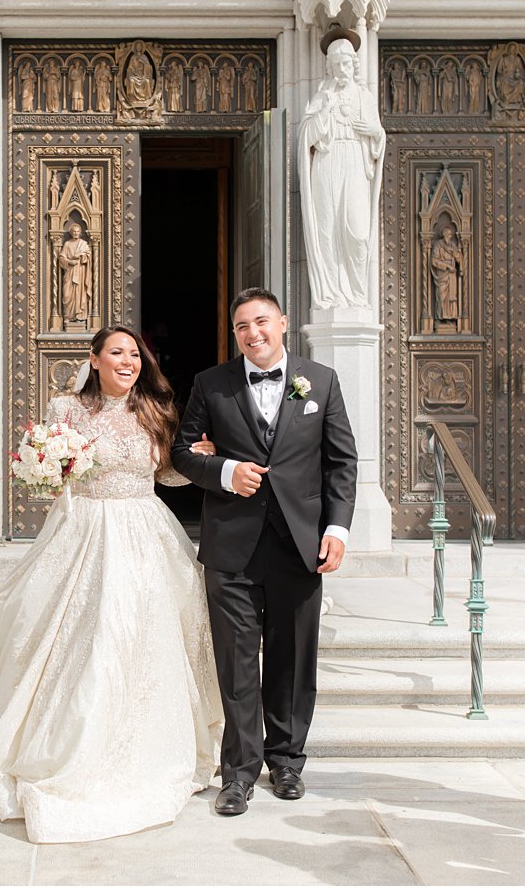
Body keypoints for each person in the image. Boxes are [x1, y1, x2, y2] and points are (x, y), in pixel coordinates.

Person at [0, 326, 223, 843]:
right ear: (94, 359)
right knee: (86, 628)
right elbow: (54, 474)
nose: (129, 362)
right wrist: (45, 464)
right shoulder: (65, 409)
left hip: (144, 528)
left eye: (135, 355)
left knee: (137, 630)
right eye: (117, 354)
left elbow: (165, 475)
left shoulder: (155, 410)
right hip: (85, 528)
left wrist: (200, 460)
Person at [171, 287, 358, 816]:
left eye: (261, 322)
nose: (252, 333)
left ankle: (287, 763)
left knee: (293, 661)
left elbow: (341, 462)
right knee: (236, 665)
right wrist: (226, 472)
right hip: (231, 547)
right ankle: (238, 774)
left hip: (300, 545)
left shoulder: (320, 380)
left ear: (283, 322)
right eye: (241, 327)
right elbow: (182, 454)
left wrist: (337, 530)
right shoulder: (212, 384)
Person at [297, 36, 385, 310]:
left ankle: (357, 297)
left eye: (346, 63)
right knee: (328, 229)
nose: (342, 69)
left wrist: (373, 133)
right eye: (336, 65)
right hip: (328, 163)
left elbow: (378, 137)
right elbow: (306, 137)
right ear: (330, 68)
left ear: (354, 65)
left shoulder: (365, 98)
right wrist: (323, 111)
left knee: (357, 233)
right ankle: (333, 296)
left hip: (356, 165)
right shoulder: (322, 96)